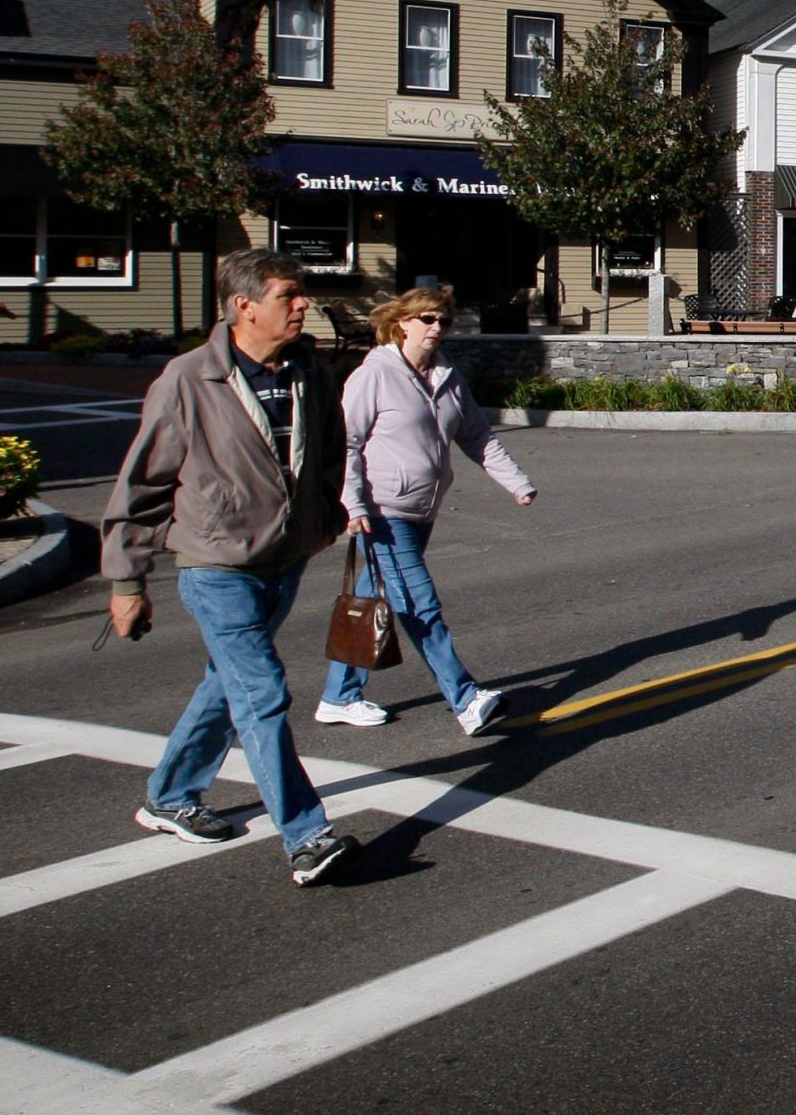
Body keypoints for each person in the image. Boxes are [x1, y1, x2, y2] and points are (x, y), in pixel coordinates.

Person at [103, 248, 359, 887]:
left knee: (231, 685)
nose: (302, 305)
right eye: (288, 295)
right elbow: (143, 483)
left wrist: (323, 520)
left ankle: (169, 794)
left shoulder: (308, 371)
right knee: (262, 692)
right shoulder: (189, 379)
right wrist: (128, 581)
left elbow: (329, 450)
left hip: (284, 557)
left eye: (301, 294)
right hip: (216, 563)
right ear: (244, 307)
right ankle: (306, 836)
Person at [315, 283, 536, 735]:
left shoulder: (446, 377)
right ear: (402, 324)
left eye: (444, 321)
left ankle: (339, 696)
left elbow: (478, 436)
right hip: (382, 511)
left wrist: (517, 482)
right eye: (428, 319)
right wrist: (352, 503)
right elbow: (346, 444)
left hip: (421, 510)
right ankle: (466, 698)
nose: (437, 328)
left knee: (375, 599)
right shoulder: (373, 375)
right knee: (419, 603)